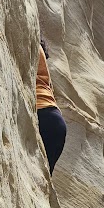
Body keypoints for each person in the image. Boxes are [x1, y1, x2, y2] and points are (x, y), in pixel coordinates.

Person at [35, 38, 67, 174]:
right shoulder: (43, 62)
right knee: (45, 176)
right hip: (55, 119)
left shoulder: (31, 43)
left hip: (41, 114)